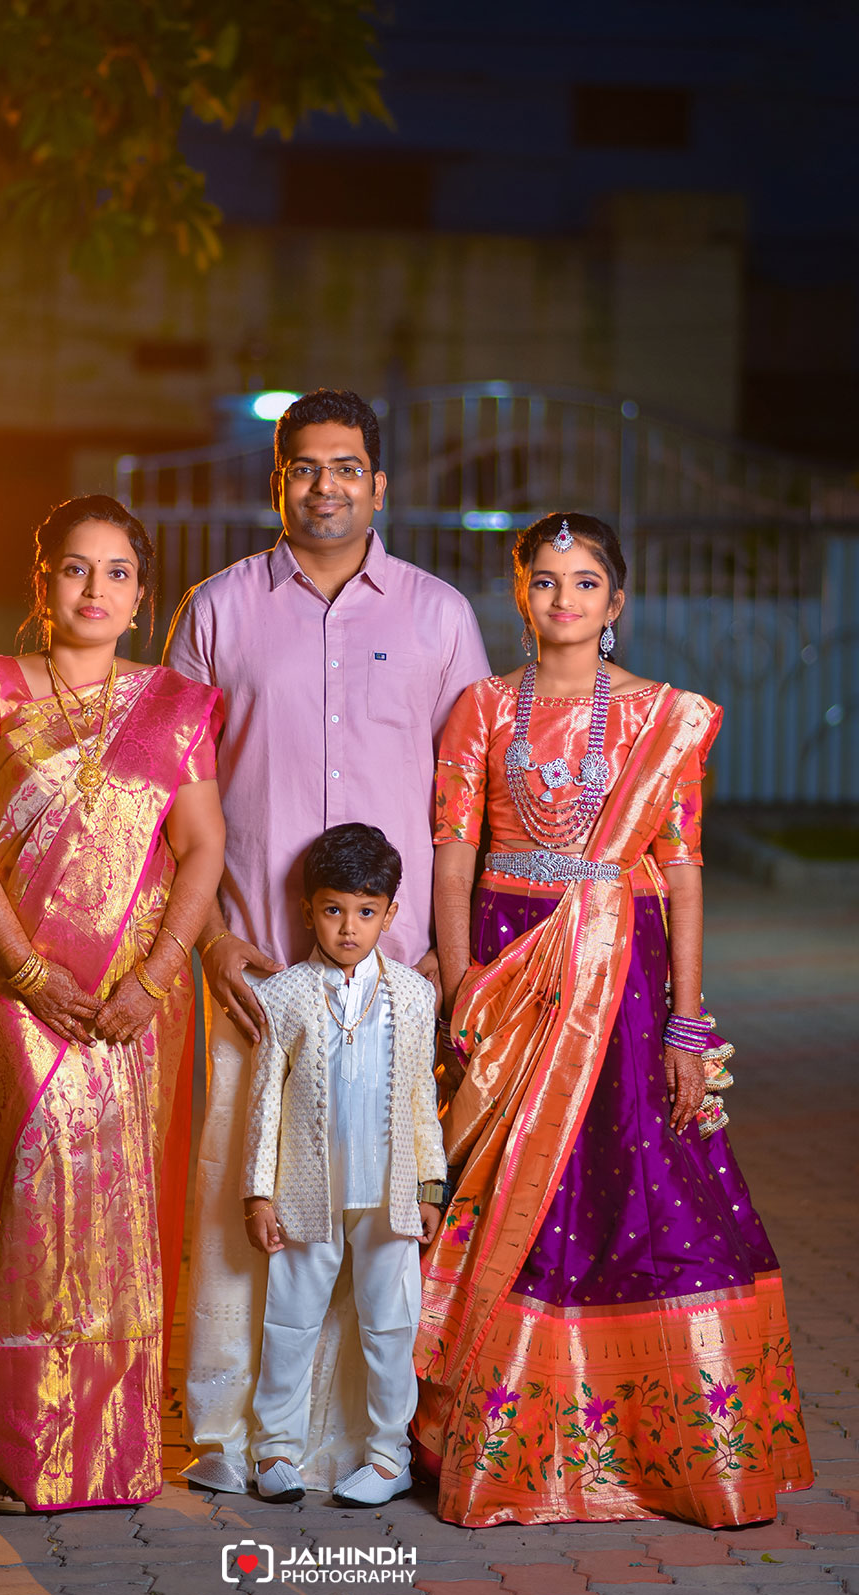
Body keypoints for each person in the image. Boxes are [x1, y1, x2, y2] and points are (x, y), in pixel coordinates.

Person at [414, 511, 814, 1527]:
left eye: (585, 582)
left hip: (623, 976)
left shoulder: (657, 716)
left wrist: (687, 1024)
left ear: (616, 601)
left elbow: (682, 870)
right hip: (510, 968)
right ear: (521, 593)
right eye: (545, 580)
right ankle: (500, 1441)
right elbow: (453, 858)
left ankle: (676, 1452)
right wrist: (461, 988)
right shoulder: (480, 708)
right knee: (508, 1189)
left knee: (642, 1185)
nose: (564, 599)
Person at [164, 387, 489, 1492]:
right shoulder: (217, 611)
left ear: (380, 484)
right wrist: (210, 939)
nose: (325, 486)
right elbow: (172, 794)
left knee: (375, 1215)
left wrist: (446, 954)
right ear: (277, 482)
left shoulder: (439, 618)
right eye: (304, 466)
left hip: (395, 983)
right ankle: (230, 1434)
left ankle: (364, 1442)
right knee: (242, 1201)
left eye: (347, 466)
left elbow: (467, 805)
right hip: (257, 971)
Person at [0, 494, 225, 1513]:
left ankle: (110, 1456)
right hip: (18, 988)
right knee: (42, 1208)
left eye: (117, 572)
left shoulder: (175, 706)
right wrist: (25, 970)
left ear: (141, 596)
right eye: (75, 568)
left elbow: (202, 848)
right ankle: (24, 1451)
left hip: (135, 997)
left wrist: (155, 977)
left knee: (120, 1214)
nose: (95, 588)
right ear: (42, 582)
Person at [241, 824, 446, 1507]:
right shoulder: (284, 994)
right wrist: (258, 1194)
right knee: (290, 1321)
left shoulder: (414, 996)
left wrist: (430, 1186)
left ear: (391, 913)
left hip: (389, 1195)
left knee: (391, 1325)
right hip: (307, 1193)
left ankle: (389, 1457)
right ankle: (275, 1450)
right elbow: (264, 1101)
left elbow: (421, 1098)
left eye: (366, 911)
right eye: (334, 910)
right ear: (309, 911)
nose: (349, 927)